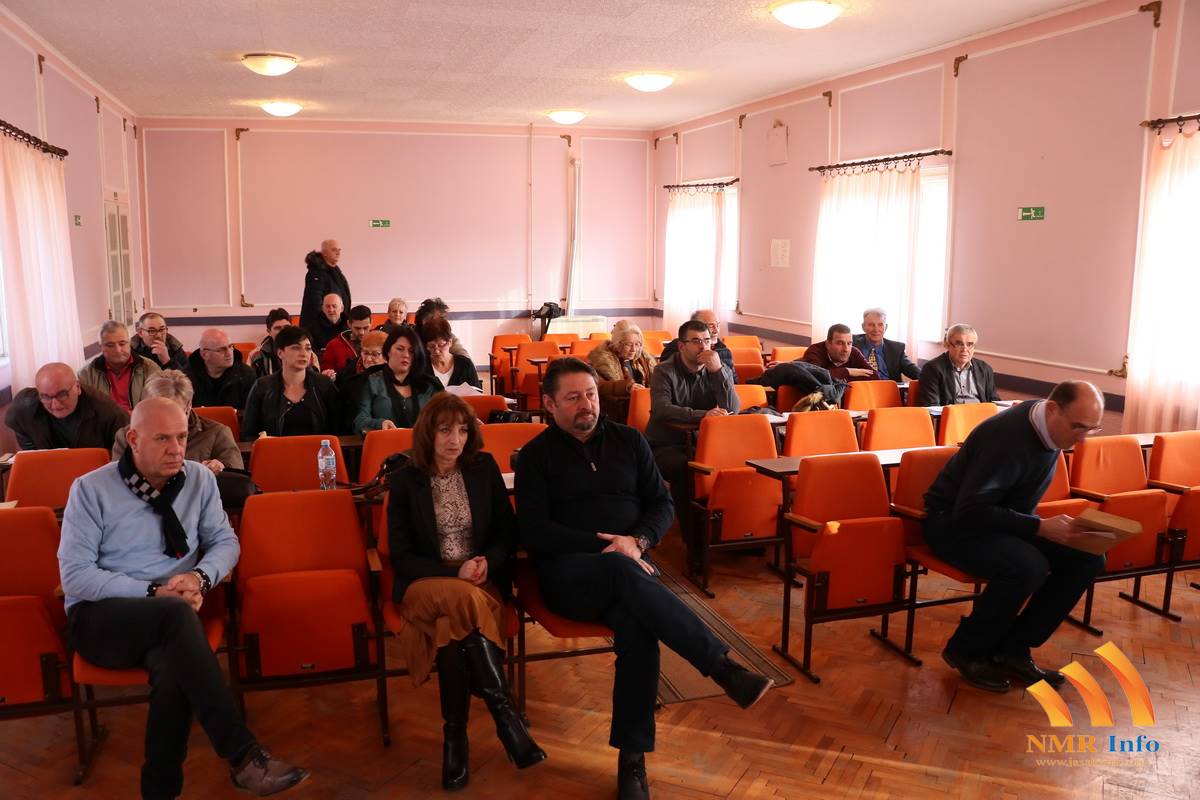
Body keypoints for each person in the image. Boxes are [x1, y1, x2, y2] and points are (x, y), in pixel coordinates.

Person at [515, 358, 772, 800]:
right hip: (569, 576)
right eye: (573, 398)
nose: (586, 404)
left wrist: (638, 540)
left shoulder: (629, 440)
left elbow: (662, 505)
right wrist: (610, 548)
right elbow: (535, 531)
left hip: (630, 567)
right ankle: (721, 668)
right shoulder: (535, 457)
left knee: (638, 629)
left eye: (590, 394)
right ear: (550, 404)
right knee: (622, 570)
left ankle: (632, 761)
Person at [58, 396, 309, 798]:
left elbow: (225, 541)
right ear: (133, 440)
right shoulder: (91, 489)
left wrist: (198, 578)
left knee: (172, 667)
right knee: (174, 616)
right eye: (163, 439)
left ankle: (160, 791)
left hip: (175, 618)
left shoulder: (199, 479)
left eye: (181, 437)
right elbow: (76, 577)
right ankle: (242, 755)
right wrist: (153, 592)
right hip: (102, 619)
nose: (176, 448)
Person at [387, 393, 545, 789]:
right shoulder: (406, 479)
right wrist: (454, 570)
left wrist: (488, 561)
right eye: (445, 430)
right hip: (426, 584)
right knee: (463, 601)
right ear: (428, 433)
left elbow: (506, 532)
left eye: (461, 430)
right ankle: (507, 718)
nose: (454, 439)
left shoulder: (482, 467)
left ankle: (455, 738)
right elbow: (402, 556)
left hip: (478, 579)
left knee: (451, 630)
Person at [923, 381, 1107, 693]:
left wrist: (1042, 527)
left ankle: (1013, 648)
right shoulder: (1006, 439)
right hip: (951, 525)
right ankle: (966, 649)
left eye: (1092, 428)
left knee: (1088, 556)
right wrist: (1040, 527)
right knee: (1028, 566)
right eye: (1078, 426)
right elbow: (971, 512)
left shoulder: (1049, 425)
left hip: (1003, 521)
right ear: (1053, 409)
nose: (1083, 437)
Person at [646, 319, 739, 535]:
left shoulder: (717, 369)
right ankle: (695, 541)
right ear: (681, 346)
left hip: (703, 444)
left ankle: (729, 532)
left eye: (707, 340)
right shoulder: (663, 371)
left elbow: (733, 408)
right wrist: (703, 415)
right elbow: (661, 409)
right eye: (696, 341)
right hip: (665, 445)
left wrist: (718, 372)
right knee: (686, 469)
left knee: (736, 464)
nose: (703, 346)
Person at [113, 370, 243, 473]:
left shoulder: (217, 433)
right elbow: (118, 480)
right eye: (158, 412)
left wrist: (221, 467)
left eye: (173, 413)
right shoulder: (128, 436)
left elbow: (237, 477)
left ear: (189, 407)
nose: (165, 420)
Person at [241, 326, 340, 440]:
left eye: (308, 348)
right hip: (276, 450)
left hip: (318, 449)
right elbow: (248, 433)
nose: (304, 353)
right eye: (296, 348)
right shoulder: (262, 387)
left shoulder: (324, 384)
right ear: (280, 353)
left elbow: (338, 430)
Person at [5, 362, 128, 451]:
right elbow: (17, 423)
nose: (55, 405)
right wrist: (33, 452)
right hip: (51, 468)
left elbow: (124, 457)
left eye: (62, 394)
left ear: (78, 387)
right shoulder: (25, 406)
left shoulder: (109, 413)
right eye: (46, 397)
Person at [353, 326, 442, 432]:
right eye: (400, 349)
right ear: (388, 351)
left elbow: (444, 418)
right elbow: (359, 421)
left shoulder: (429, 384)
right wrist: (380, 424)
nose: (406, 355)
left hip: (421, 441)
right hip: (385, 440)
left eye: (411, 351)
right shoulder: (372, 381)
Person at [78, 321, 162, 412]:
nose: (117, 350)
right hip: (105, 420)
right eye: (110, 345)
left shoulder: (150, 368)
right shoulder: (86, 375)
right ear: (101, 347)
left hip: (140, 419)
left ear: (129, 343)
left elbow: (158, 405)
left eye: (122, 344)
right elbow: (86, 411)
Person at [916, 323, 1001, 407]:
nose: (965, 349)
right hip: (952, 415)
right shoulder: (932, 369)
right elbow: (932, 406)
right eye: (959, 344)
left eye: (969, 344)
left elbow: (994, 401)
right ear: (947, 345)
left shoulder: (984, 368)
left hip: (982, 414)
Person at [589, 321, 656, 423]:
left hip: (647, 409)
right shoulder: (602, 361)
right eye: (629, 344)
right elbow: (598, 385)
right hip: (617, 413)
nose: (634, 349)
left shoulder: (644, 359)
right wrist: (626, 387)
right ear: (617, 343)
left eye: (637, 344)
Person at [186, 328, 257, 409]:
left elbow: (250, 412)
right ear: (205, 355)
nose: (229, 353)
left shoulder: (247, 375)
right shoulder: (186, 378)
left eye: (230, 347)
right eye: (222, 350)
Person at [852, 308, 920, 383]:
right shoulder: (850, 343)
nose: (876, 329)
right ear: (863, 327)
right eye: (871, 325)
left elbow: (914, 371)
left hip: (889, 389)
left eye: (880, 325)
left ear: (886, 327)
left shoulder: (896, 349)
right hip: (860, 389)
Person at [299, 239, 350, 337]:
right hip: (322, 329)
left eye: (339, 250)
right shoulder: (317, 273)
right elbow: (314, 303)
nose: (338, 253)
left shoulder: (334, 271)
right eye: (334, 250)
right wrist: (323, 325)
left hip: (335, 324)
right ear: (325, 253)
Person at [658, 309, 734, 372]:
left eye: (718, 325)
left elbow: (733, 381)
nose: (716, 330)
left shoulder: (724, 350)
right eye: (711, 326)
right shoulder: (676, 347)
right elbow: (667, 374)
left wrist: (718, 370)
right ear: (697, 326)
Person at [422, 317, 481, 391]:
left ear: (450, 342)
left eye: (441, 345)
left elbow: (477, 394)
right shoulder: (422, 367)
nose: (436, 351)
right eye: (431, 346)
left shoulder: (465, 365)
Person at [802, 324, 877, 382]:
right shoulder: (814, 351)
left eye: (849, 343)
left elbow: (874, 376)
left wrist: (836, 377)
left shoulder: (854, 352)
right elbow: (814, 378)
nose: (846, 349)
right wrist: (847, 371)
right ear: (828, 344)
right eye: (840, 343)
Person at [321, 304, 373, 375]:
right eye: (357, 328)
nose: (362, 332)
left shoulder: (380, 342)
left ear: (371, 323)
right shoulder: (333, 345)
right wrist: (329, 375)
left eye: (366, 328)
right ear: (349, 324)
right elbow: (326, 374)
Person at [249, 308, 293, 377]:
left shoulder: (304, 351)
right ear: (269, 332)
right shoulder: (256, 355)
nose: (283, 332)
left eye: (287, 327)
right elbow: (251, 382)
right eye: (278, 328)